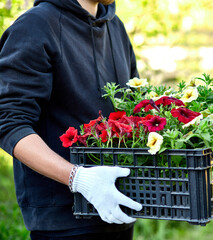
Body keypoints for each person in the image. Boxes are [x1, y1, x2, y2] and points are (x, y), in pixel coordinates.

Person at [0, 0, 143, 239]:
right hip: (64, 223)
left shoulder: (115, 26)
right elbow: (9, 122)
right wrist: (79, 179)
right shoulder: (35, 26)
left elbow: (134, 111)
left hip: (117, 209)